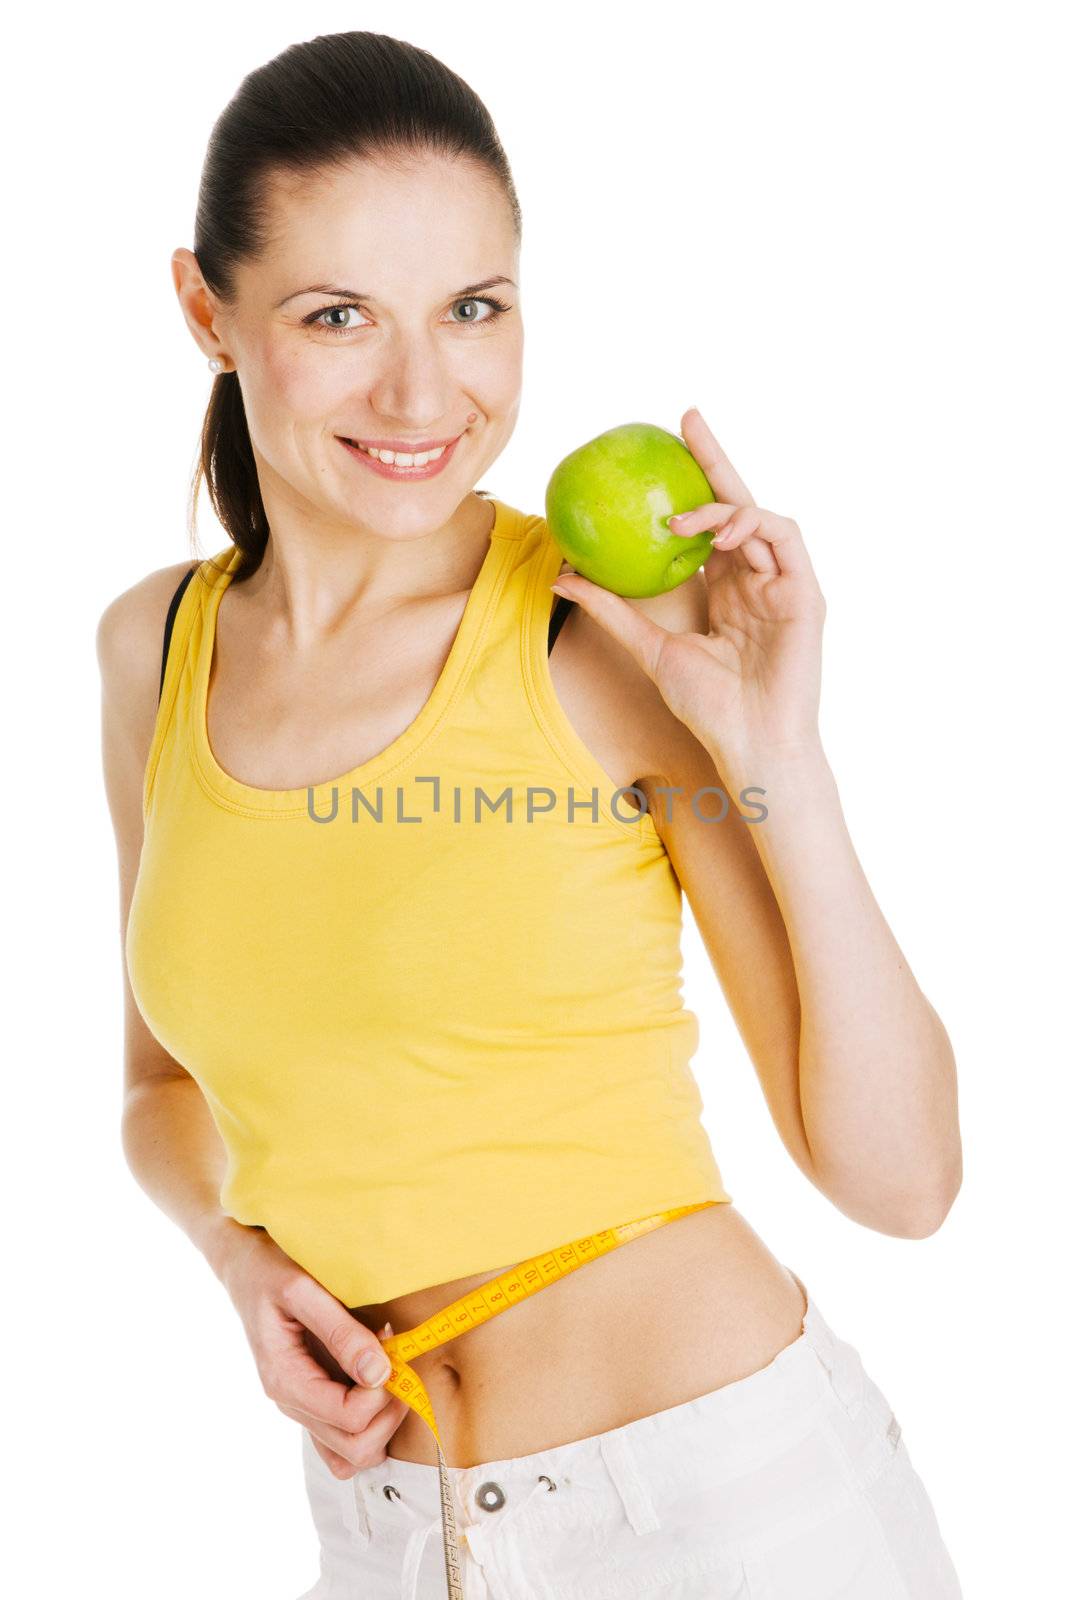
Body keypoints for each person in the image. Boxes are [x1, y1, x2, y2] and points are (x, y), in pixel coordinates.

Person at [96, 29, 965, 1600]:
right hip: (384, 1537)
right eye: (341, 315)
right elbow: (163, 1085)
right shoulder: (152, 650)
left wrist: (784, 759)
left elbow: (900, 1182)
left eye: (476, 310)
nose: (427, 390)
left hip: (719, 1508)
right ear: (206, 310)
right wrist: (245, 1267)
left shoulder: (592, 639)